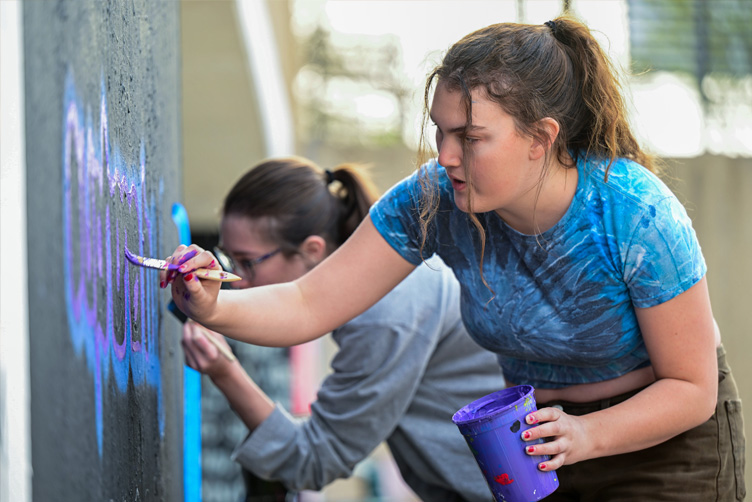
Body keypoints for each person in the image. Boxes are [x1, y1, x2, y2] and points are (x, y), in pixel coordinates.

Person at [164, 15, 746, 501]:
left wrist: (588, 435)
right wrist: (210, 306)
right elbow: (307, 300)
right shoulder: (433, 201)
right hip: (540, 440)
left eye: (469, 137)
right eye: (441, 133)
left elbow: (690, 387)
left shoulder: (635, 213)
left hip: (664, 438)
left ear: (541, 138)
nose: (445, 155)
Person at [177, 157, 506, 501]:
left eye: (247, 263)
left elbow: (313, 460)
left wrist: (224, 370)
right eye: (227, 260)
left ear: (312, 251)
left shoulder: (385, 310)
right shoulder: (386, 290)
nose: (237, 283)